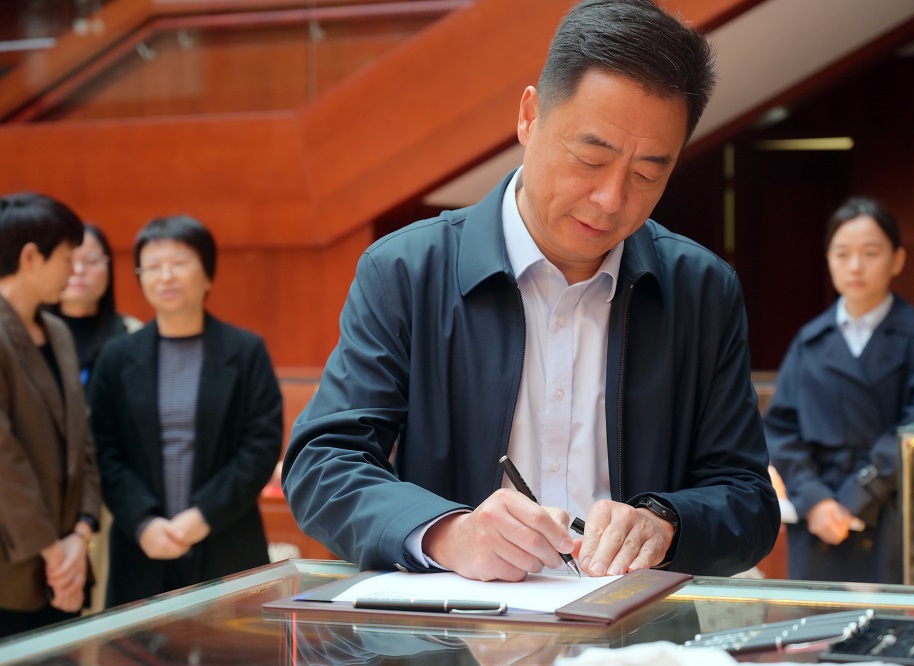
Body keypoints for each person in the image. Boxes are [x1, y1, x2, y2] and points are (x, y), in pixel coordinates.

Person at [282, 0, 779, 582]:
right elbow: (323, 464)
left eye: (647, 174)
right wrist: (446, 532)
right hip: (458, 621)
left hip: (632, 621)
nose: (611, 199)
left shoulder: (701, 290)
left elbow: (748, 499)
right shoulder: (407, 271)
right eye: (590, 158)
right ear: (529, 116)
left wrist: (667, 523)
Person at [87, 215, 283, 606]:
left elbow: (261, 445)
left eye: (178, 263)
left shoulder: (245, 351)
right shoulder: (116, 357)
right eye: (152, 266)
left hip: (228, 538)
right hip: (140, 547)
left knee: (233, 639)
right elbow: (103, 451)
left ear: (207, 274)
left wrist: (204, 515)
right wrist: (143, 521)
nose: (165, 276)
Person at [763, 196, 914, 584]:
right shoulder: (810, 339)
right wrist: (815, 499)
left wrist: (858, 495)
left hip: (893, 510)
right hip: (819, 517)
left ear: (897, 259)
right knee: (819, 618)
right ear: (829, 260)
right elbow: (780, 430)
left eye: (870, 253)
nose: (855, 266)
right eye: (842, 253)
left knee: (894, 615)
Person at [0, 192, 102, 637]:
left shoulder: (58, 331)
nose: (73, 270)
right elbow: (4, 458)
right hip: (15, 568)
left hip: (67, 563)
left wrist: (81, 534)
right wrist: (54, 553)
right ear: (30, 257)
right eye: (66, 257)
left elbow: (82, 439)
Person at [47, 223, 143, 386]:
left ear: (108, 267)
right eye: (68, 260)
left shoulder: (133, 332)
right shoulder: (32, 332)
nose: (78, 270)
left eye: (91, 261)